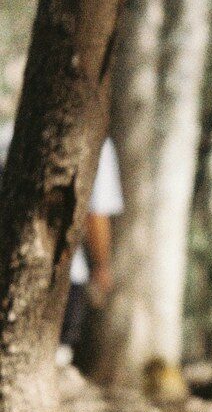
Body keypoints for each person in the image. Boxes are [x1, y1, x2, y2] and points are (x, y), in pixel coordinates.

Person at [0, 124, 124, 358]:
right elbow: (96, 214)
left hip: (13, 269)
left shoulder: (9, 133)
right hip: (61, 277)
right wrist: (101, 266)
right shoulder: (94, 142)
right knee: (54, 357)